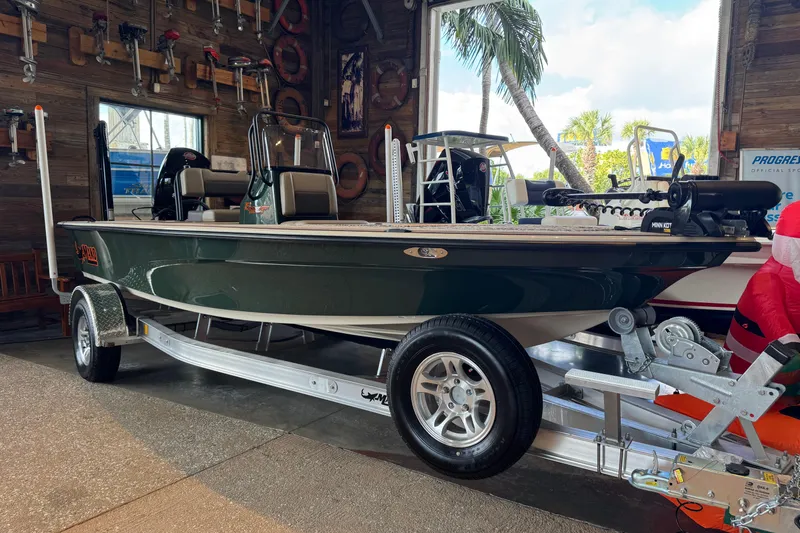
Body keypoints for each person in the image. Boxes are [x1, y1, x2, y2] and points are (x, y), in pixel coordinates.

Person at [726, 200, 800, 405]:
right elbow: (769, 310)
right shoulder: (769, 277)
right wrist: (789, 340)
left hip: (784, 363)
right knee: (790, 363)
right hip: (756, 364)